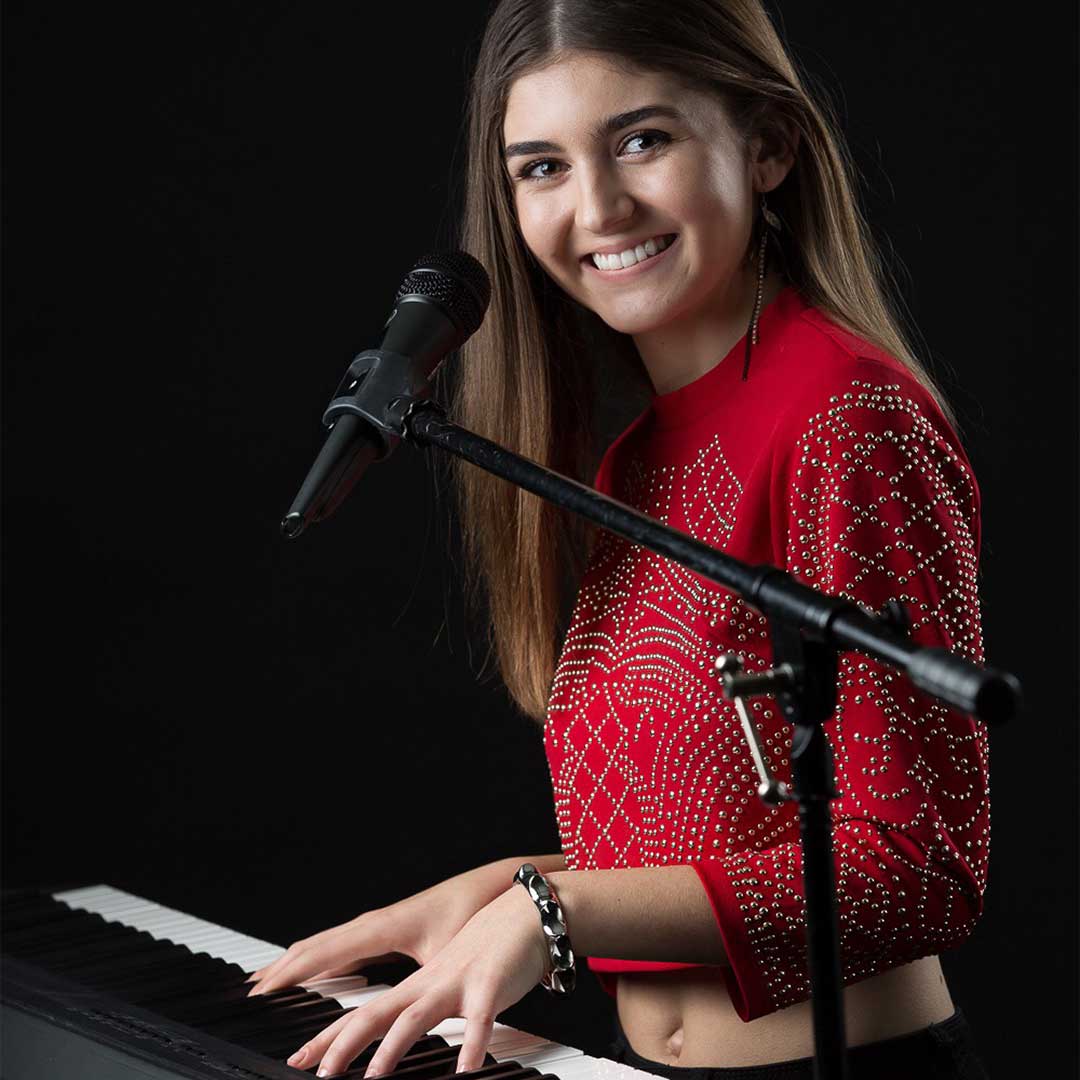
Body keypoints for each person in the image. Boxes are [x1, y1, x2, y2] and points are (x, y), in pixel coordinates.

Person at [245, 2, 992, 1077]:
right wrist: (503, 889)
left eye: (642, 140)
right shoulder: (633, 459)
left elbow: (921, 870)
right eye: (542, 167)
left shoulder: (848, 417)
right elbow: (714, 833)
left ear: (769, 147)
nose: (597, 207)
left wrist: (553, 910)